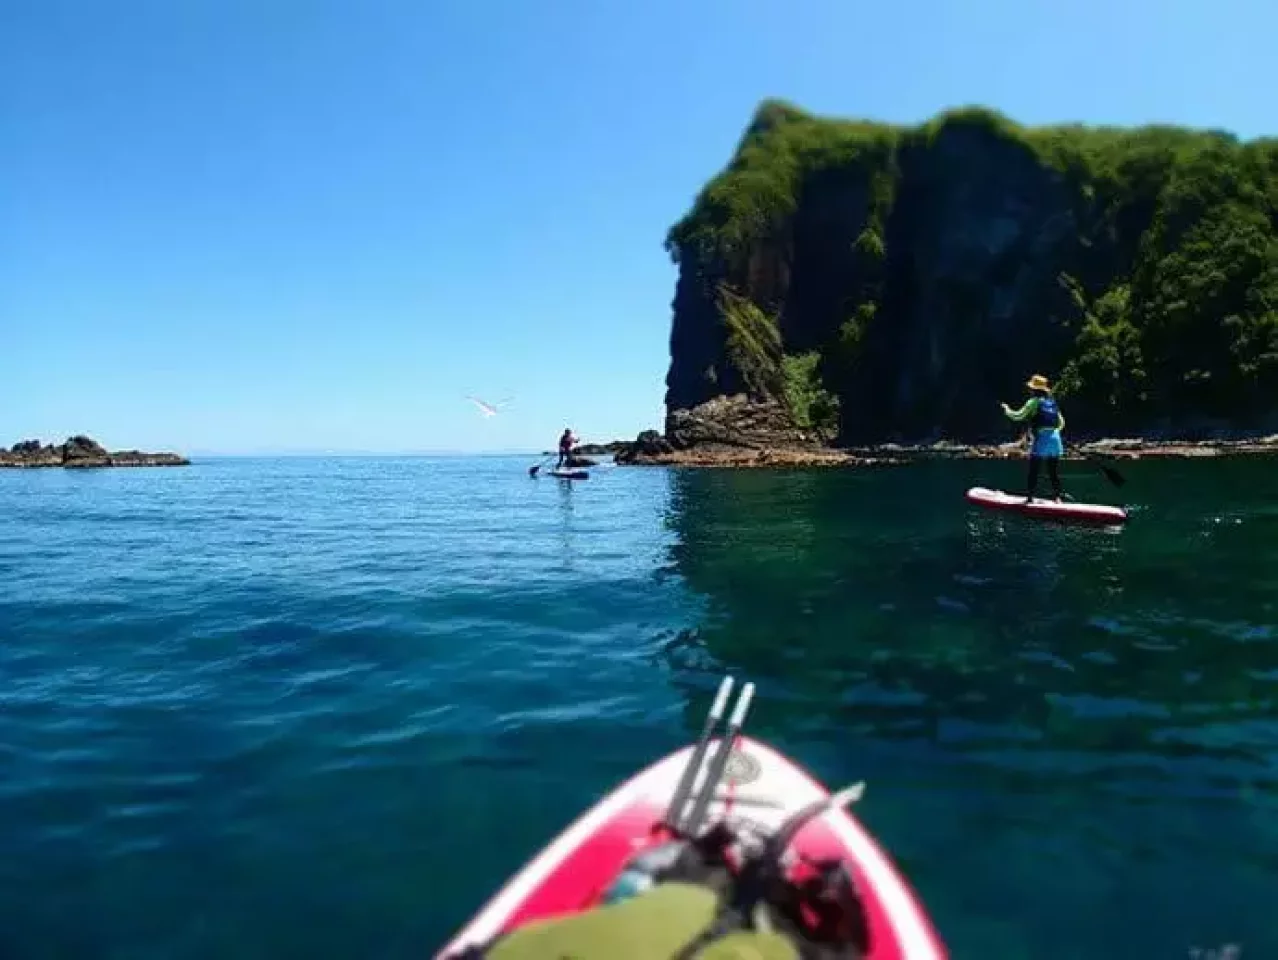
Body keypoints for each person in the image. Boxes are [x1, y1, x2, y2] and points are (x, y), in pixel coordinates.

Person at [1001, 373, 1065, 502]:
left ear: (1034, 390)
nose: (1029, 390)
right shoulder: (1052, 402)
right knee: (1053, 472)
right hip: (1056, 440)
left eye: (1031, 388)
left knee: (1034, 470)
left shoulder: (1033, 402)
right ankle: (1058, 498)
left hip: (1042, 440)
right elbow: (1061, 423)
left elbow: (1018, 416)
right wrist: (1052, 433)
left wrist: (1006, 409)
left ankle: (1029, 498)